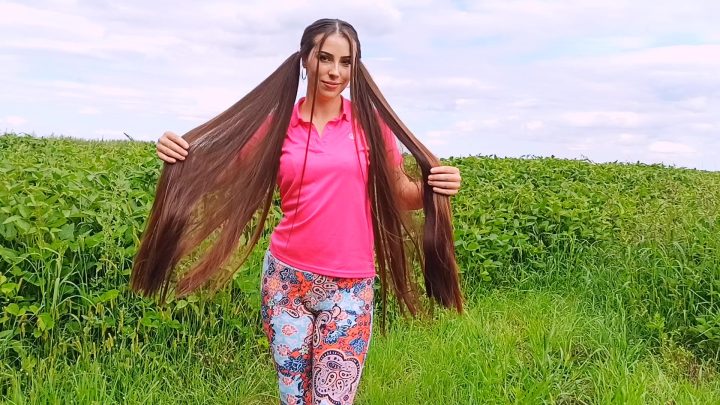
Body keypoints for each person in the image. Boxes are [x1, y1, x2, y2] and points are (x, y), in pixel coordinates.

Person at [133, 18, 462, 405]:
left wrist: (434, 189)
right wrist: (179, 154)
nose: (334, 71)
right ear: (306, 59)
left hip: (350, 287)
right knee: (295, 398)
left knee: (332, 400)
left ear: (356, 67)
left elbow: (401, 193)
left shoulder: (371, 125)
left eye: (345, 61)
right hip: (286, 282)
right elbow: (223, 174)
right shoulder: (277, 126)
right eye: (325, 58)